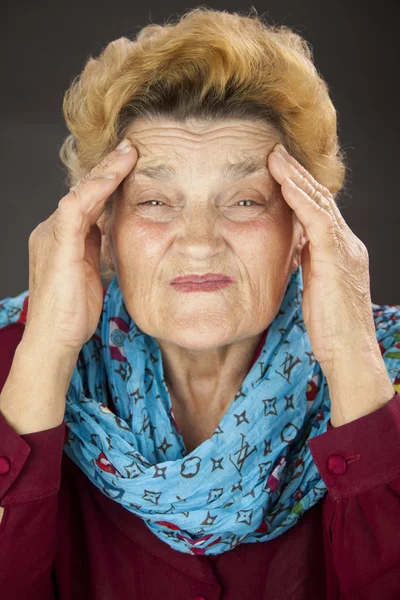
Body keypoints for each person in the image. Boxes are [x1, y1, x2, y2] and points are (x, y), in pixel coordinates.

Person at [0, 6, 399, 599]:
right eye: (155, 202)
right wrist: (47, 353)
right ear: (101, 229)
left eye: (244, 201)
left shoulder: (382, 368)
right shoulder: (14, 360)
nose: (198, 241)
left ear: (302, 232)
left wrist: (349, 358)